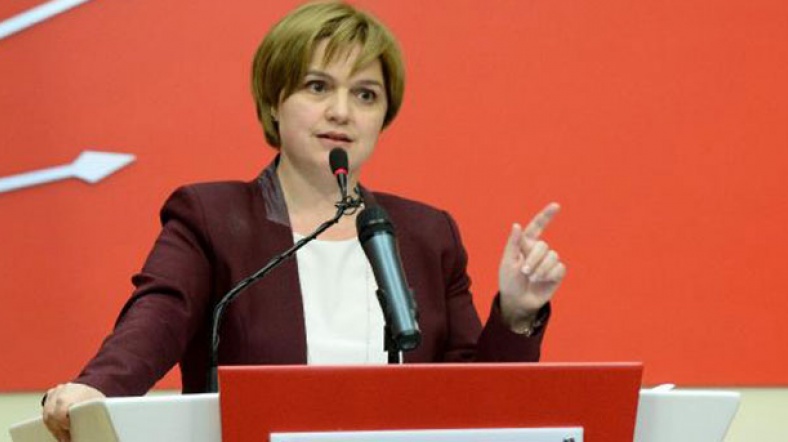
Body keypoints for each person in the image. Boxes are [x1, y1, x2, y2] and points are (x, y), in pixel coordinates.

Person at [42, 2, 567, 441]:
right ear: (275, 101)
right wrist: (97, 390)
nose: (342, 111)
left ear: (383, 117)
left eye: (365, 94)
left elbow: (476, 403)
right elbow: (158, 319)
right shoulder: (214, 218)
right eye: (318, 87)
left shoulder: (427, 235)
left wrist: (517, 313)